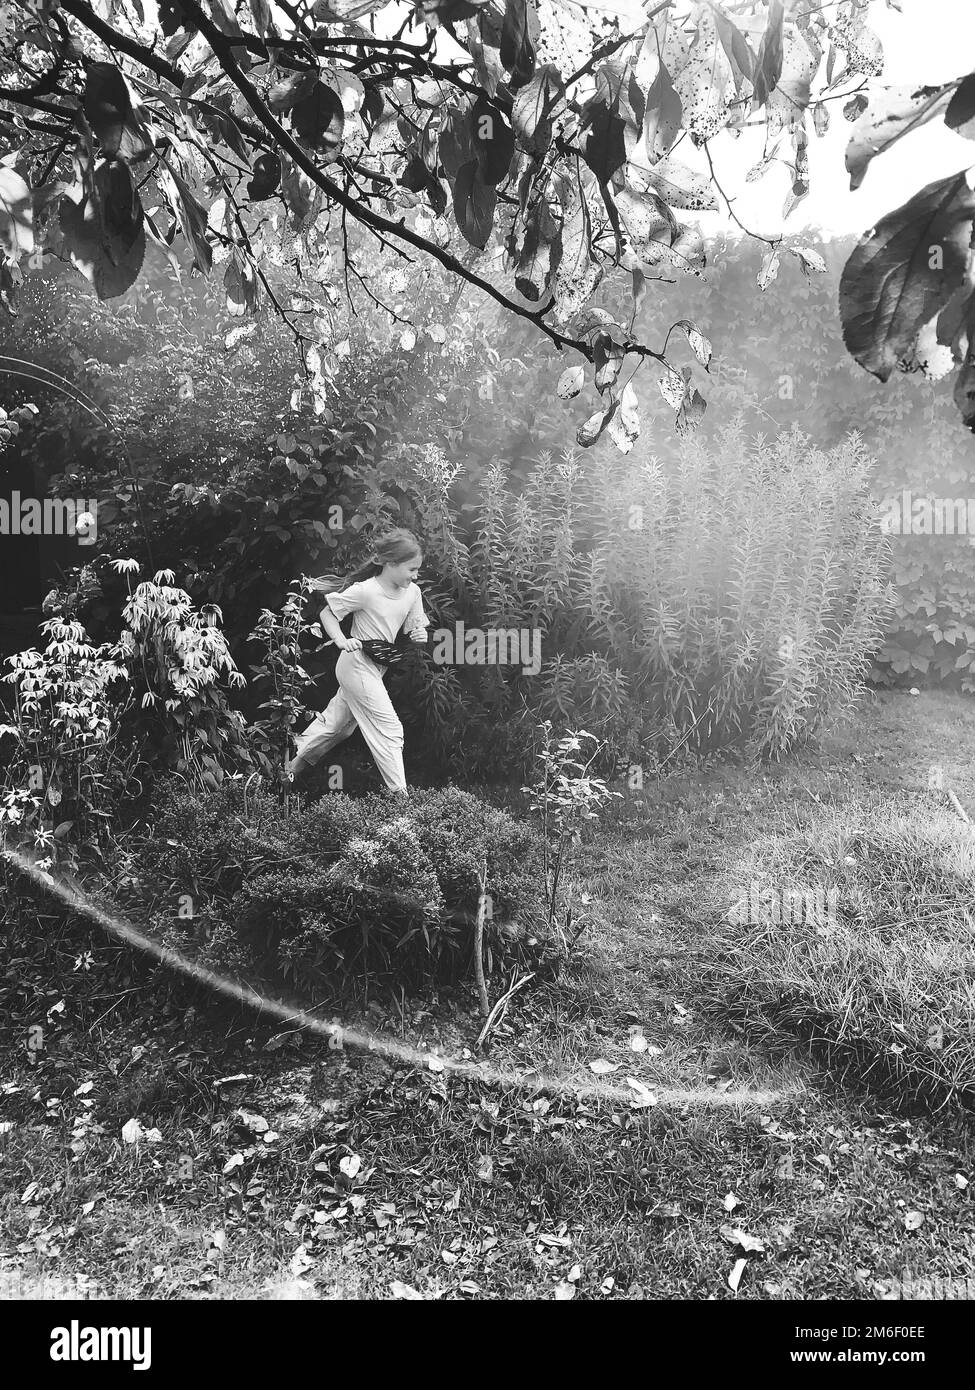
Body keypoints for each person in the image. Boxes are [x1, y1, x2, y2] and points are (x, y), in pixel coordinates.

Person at [287, 528, 428, 796]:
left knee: (336, 727)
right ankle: (401, 801)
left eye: (417, 569)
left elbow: (415, 632)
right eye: (411, 569)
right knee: (390, 728)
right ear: (390, 563)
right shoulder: (366, 591)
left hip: (376, 668)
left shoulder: (413, 593)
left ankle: (285, 773)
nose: (415, 575)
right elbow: (328, 613)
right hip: (355, 665)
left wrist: (420, 635)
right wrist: (341, 640)